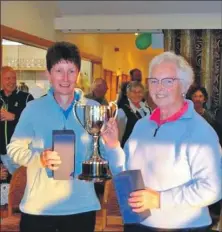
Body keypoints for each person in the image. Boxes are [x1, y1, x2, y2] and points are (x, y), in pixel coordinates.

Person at [6, 42, 125, 232]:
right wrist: (39, 158)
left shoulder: (93, 108)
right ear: (48, 73)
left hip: (82, 207)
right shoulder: (33, 109)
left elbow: (107, 157)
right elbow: (14, 149)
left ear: (78, 74)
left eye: (71, 70)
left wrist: (113, 145)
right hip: (39, 209)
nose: (65, 77)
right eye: (59, 70)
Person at [101, 51, 222, 232]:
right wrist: (112, 147)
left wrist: (159, 199)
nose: (159, 88)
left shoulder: (201, 131)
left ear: (184, 86)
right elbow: (125, 174)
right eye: (154, 81)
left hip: (184, 227)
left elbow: (213, 188)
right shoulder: (142, 125)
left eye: (168, 81)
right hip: (138, 223)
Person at [0, 66, 34, 183]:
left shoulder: (26, 98)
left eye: (13, 78)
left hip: (20, 154)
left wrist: (13, 117)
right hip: (2, 155)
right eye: (7, 78)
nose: (11, 81)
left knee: (23, 187)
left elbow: (34, 123)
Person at [117, 81, 151, 147]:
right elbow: (118, 137)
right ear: (127, 94)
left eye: (140, 92)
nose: (137, 94)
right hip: (128, 150)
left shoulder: (147, 110)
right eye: (134, 92)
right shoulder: (122, 111)